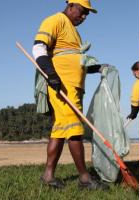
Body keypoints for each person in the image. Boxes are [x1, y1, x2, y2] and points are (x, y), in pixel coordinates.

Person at [32, 0, 108, 190]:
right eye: (82, 12)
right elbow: (39, 47)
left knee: (59, 131)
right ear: (71, 5)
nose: (83, 17)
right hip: (62, 87)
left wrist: (97, 68)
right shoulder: (55, 20)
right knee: (74, 129)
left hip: (73, 87)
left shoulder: (75, 32)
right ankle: (84, 178)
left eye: (87, 15)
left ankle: (48, 176)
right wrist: (51, 74)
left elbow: (73, 58)